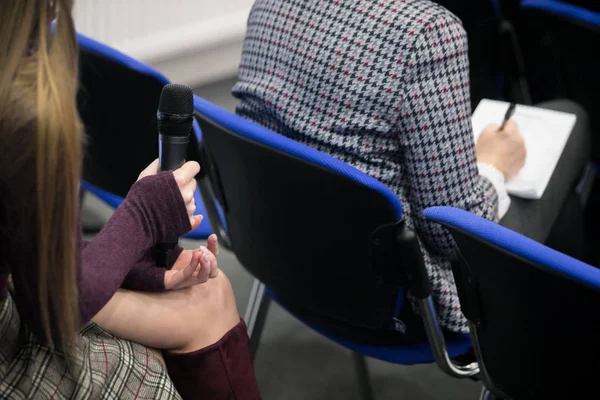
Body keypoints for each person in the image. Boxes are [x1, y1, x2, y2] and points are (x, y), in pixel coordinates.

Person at [233, 0, 589, 334]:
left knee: (561, 208)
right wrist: (494, 166)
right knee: (571, 120)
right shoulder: (425, 31)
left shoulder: (269, 6)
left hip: (289, 265)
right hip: (408, 304)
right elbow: (451, 234)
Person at [0, 1, 261, 399]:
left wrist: (129, 252)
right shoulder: (22, 108)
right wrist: (141, 217)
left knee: (209, 291)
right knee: (159, 360)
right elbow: (54, 307)